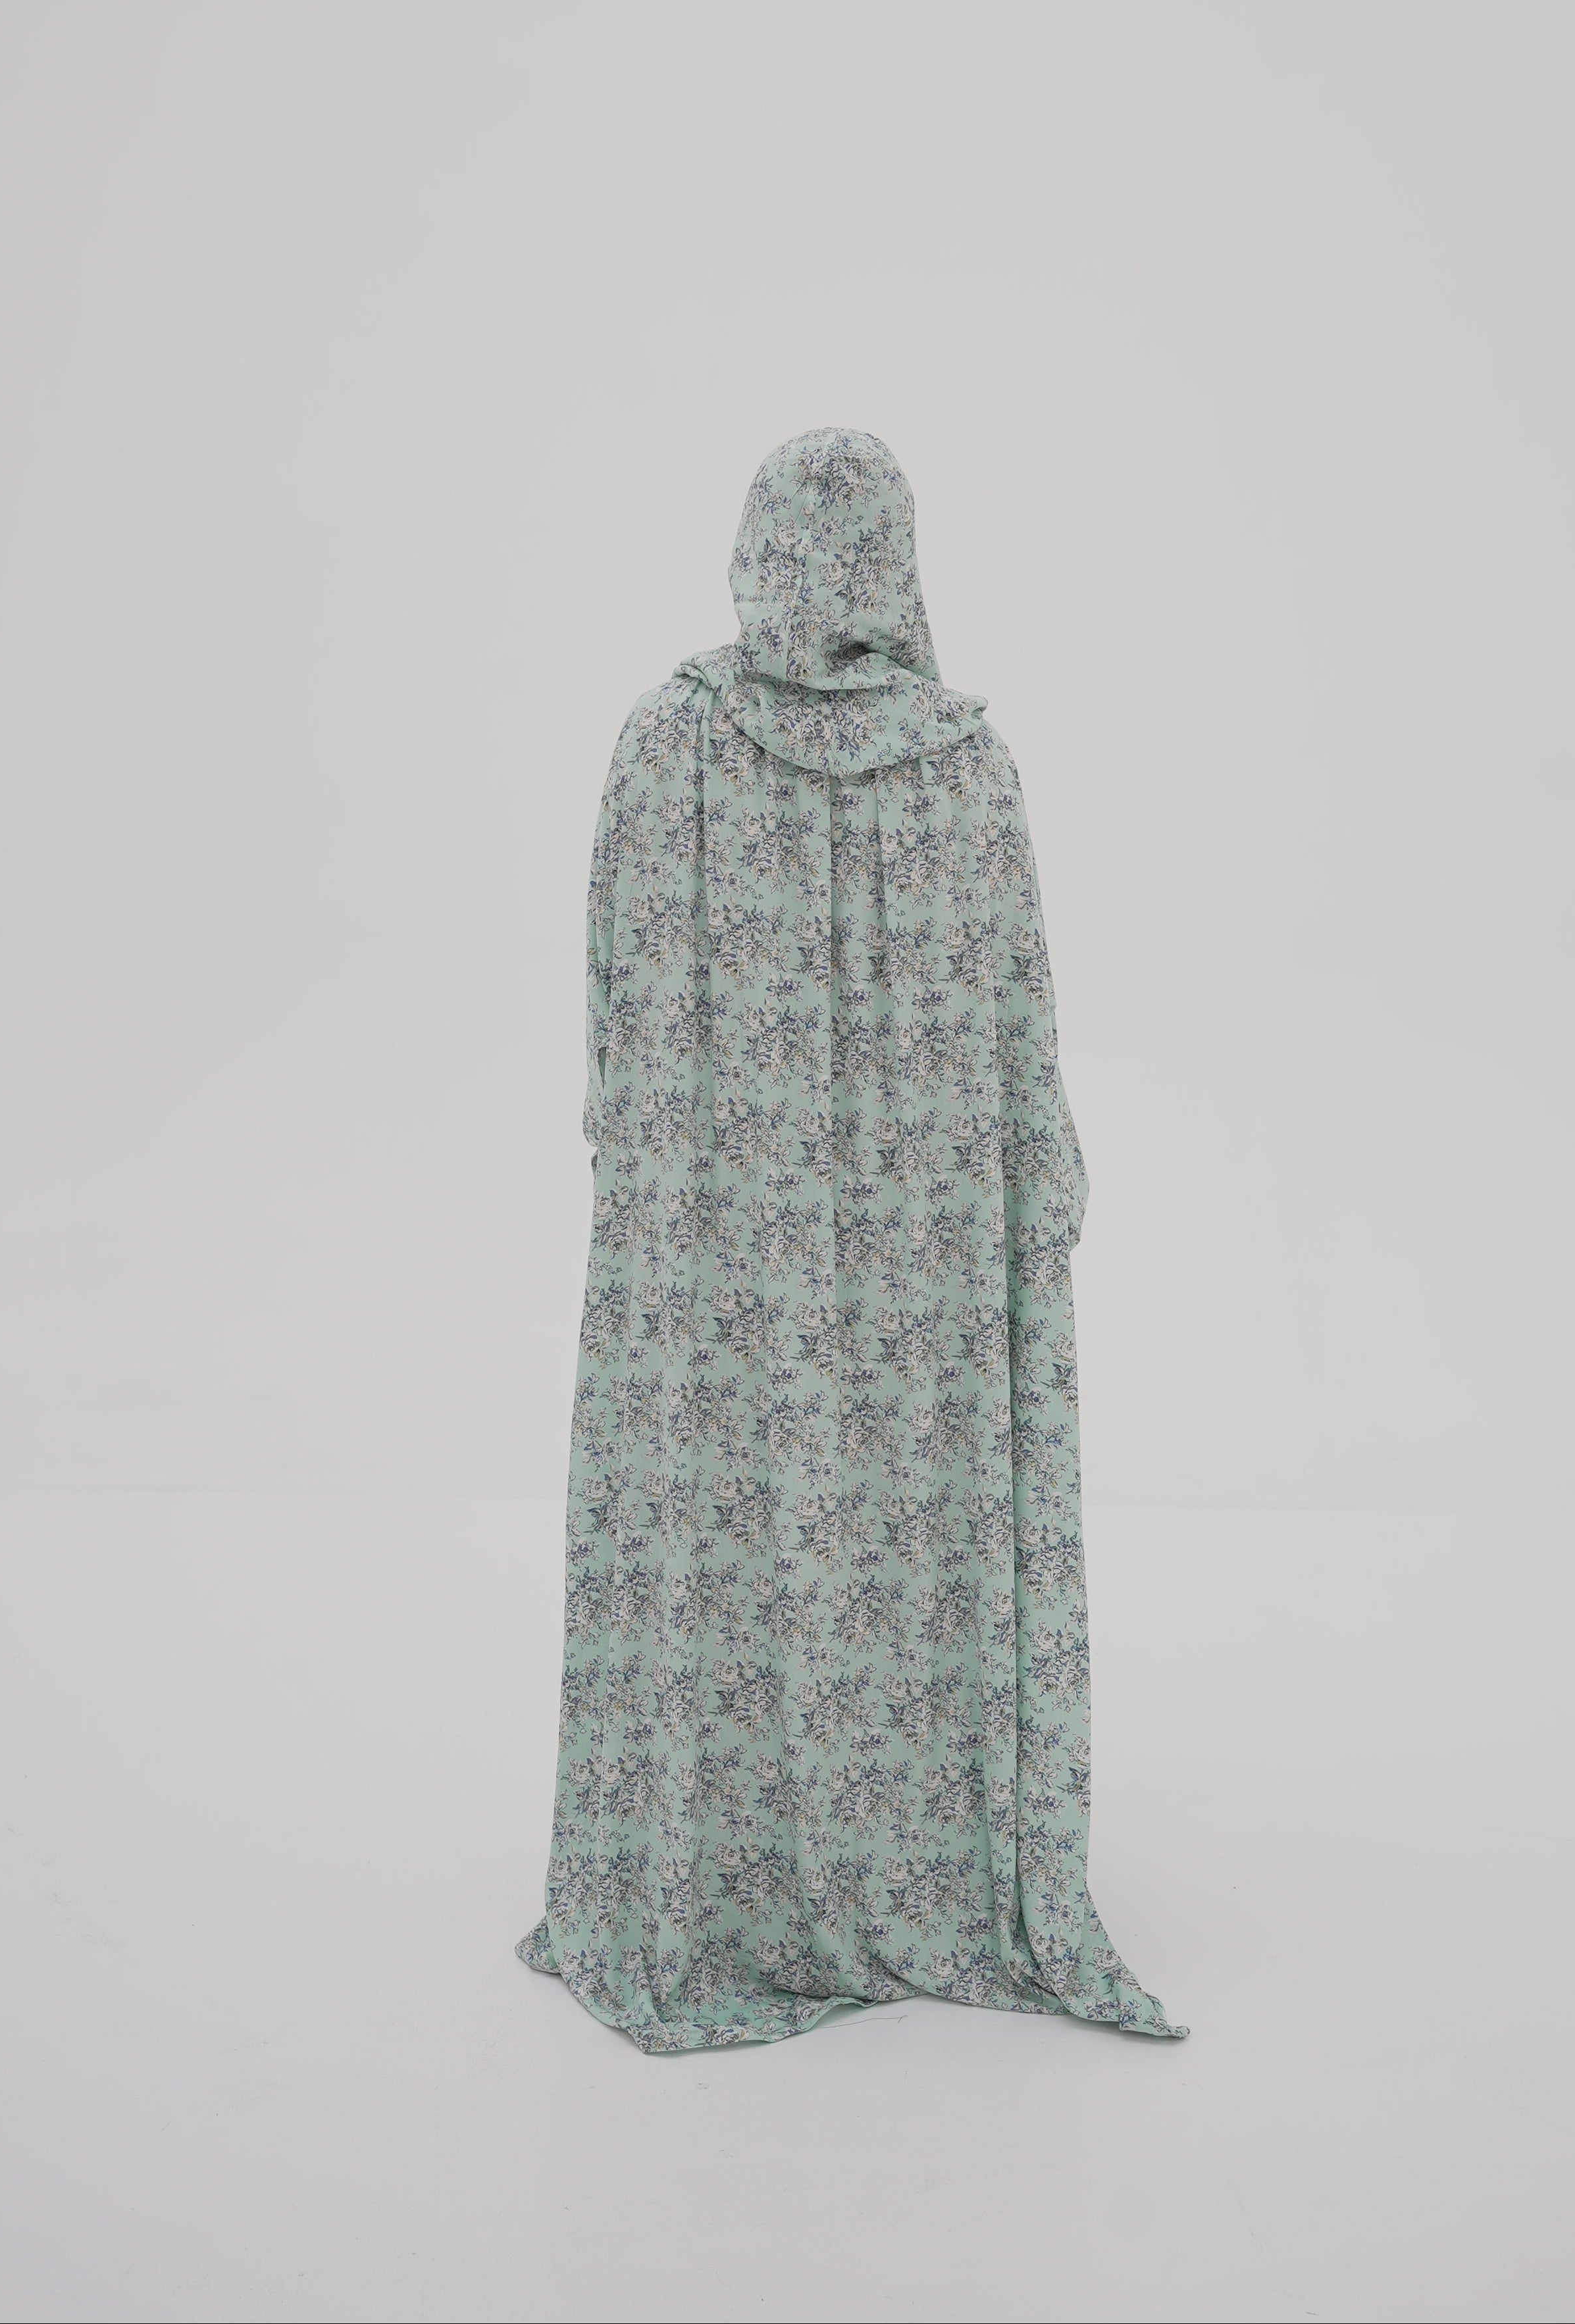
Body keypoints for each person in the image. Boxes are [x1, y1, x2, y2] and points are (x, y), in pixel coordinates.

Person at [517, 428, 1185, 2052]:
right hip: (927, 1265)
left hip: (713, 1250)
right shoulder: (971, 769)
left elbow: (612, 1029)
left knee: (720, 1509)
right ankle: (922, 1871)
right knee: (908, 1519)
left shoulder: (665, 743)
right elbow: (1025, 1049)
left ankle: (712, 1887)